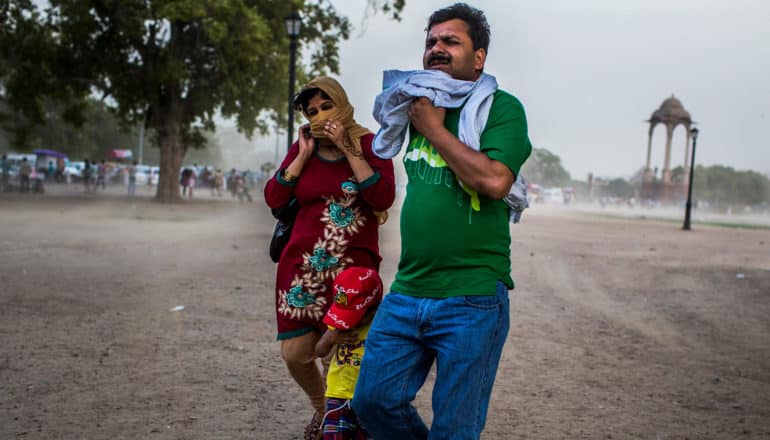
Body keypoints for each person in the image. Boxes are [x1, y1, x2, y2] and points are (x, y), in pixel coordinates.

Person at [352, 4, 532, 439]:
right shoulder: (416, 105)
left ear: (479, 57)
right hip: (409, 289)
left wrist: (434, 130)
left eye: (450, 41)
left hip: (472, 297)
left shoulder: (501, 109)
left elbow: (493, 180)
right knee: (372, 402)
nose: (436, 49)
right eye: (431, 41)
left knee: (455, 429)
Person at [263, 76, 395, 440]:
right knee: (295, 352)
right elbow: (275, 198)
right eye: (312, 111)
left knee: (339, 351)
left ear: (342, 104)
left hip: (352, 274)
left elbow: (382, 197)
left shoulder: (371, 144)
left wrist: (347, 148)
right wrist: (302, 156)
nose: (320, 116)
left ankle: (341, 418)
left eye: (326, 107)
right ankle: (322, 408)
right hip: (301, 271)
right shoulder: (303, 146)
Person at [314, 267, 382, 440]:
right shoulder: (337, 326)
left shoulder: (381, 325)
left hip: (368, 397)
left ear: (373, 310)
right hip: (337, 394)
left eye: (354, 317)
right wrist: (330, 339)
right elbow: (319, 351)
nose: (348, 324)